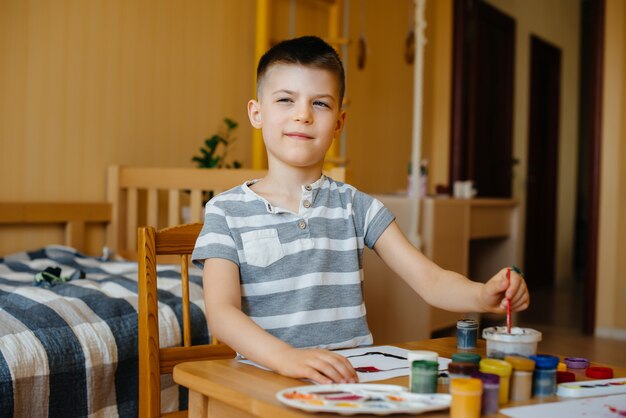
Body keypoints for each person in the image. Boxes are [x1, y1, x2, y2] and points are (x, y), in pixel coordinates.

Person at [192, 35, 529, 385]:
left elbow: (430, 280)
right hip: (267, 379)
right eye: (285, 100)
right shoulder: (225, 211)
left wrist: (481, 295)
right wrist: (286, 358)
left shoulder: (356, 206)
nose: (303, 115)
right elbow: (222, 312)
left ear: (339, 122)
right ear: (257, 113)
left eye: (320, 104)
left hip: (349, 380)